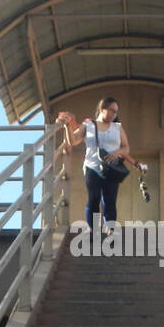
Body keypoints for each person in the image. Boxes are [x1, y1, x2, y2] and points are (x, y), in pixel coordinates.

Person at [58, 96, 131, 233]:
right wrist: (67, 125)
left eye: (115, 112)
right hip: (92, 166)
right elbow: (72, 141)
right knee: (94, 197)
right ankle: (92, 229)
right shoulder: (89, 125)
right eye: (111, 110)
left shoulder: (117, 127)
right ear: (102, 109)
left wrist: (117, 153)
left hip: (112, 168)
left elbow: (126, 147)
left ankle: (110, 229)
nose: (113, 114)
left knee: (110, 199)